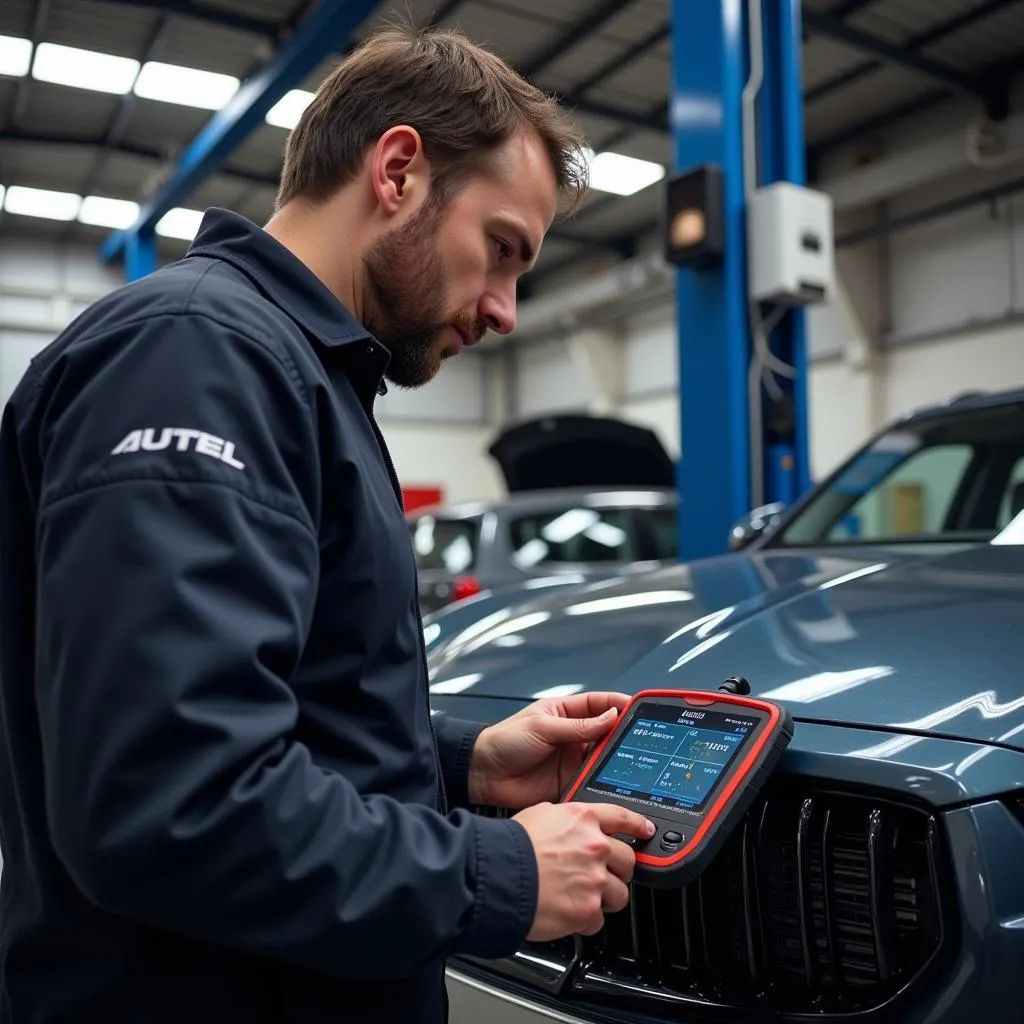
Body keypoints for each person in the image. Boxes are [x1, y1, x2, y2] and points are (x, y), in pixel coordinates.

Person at [0, 19, 655, 1024]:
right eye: (501, 250)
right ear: (397, 171)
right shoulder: (199, 358)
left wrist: (460, 763)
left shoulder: (301, 377)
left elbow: (279, 703)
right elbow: (168, 803)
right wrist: (495, 874)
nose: (505, 309)